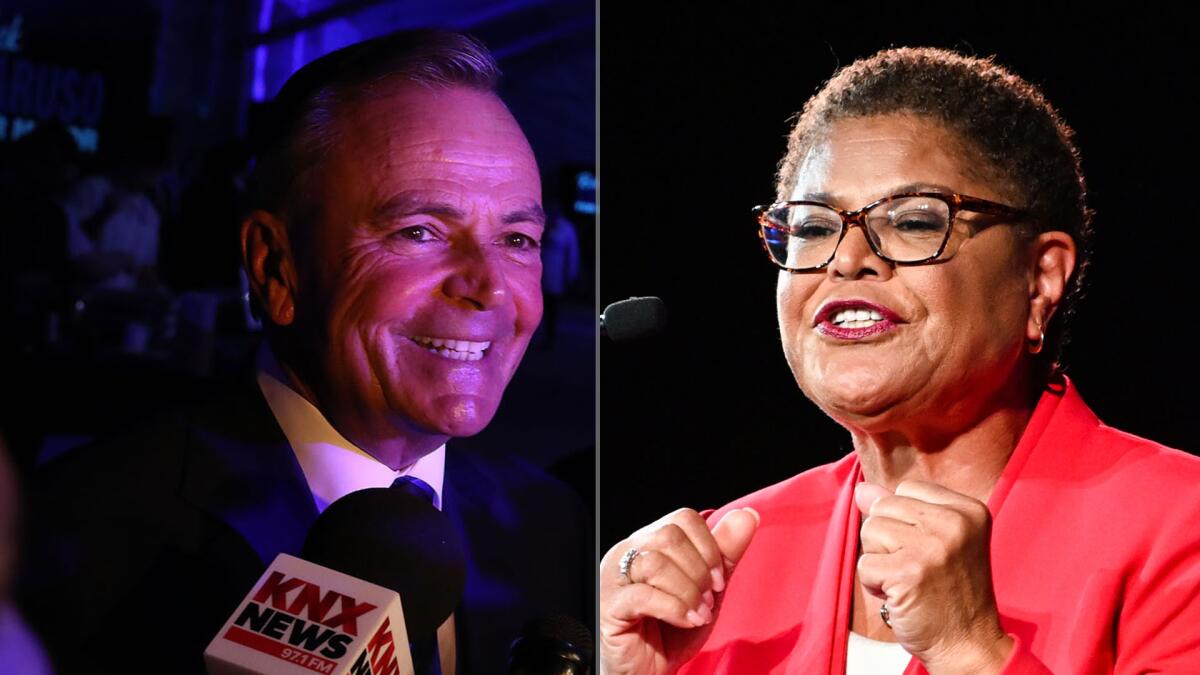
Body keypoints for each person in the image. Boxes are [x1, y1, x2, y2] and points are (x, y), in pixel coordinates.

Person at [599, 47, 1200, 674]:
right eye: (809, 227)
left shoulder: (1179, 530)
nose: (846, 258)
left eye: (913, 220)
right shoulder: (723, 565)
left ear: (1040, 278)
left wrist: (970, 652)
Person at [19, 30, 589, 674]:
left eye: (516, 239)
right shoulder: (71, 537)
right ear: (275, 267)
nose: (486, 287)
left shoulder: (558, 526)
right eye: (419, 231)